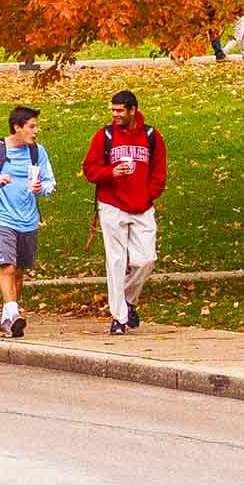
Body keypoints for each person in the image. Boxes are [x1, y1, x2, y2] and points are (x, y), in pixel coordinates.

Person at [0, 106, 58, 338]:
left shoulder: (38, 152)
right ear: (17, 127)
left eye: (36, 126)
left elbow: (50, 182)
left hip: (28, 220)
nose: (36, 131)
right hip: (1, 218)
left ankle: (8, 320)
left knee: (19, 272)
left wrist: (42, 188)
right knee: (7, 266)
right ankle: (14, 313)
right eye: (31, 126)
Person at [80, 91, 168, 335]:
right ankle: (118, 317)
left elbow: (159, 172)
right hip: (111, 204)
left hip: (142, 205)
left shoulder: (151, 136)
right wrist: (111, 173)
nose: (115, 115)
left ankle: (128, 301)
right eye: (113, 110)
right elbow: (89, 169)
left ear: (132, 110)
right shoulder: (104, 136)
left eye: (119, 111)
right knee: (116, 261)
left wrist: (150, 194)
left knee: (146, 259)